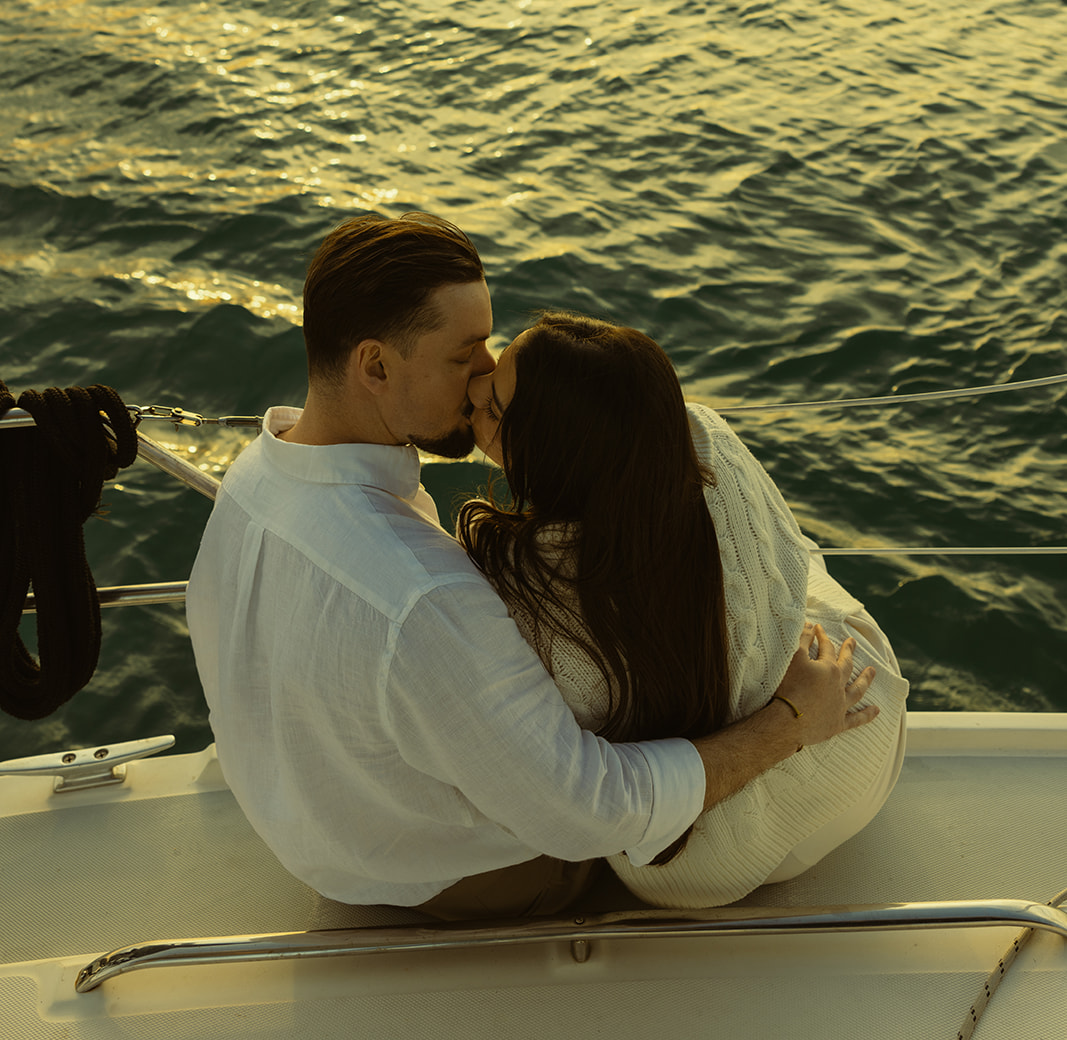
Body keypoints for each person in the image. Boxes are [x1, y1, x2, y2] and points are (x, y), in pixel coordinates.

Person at [186, 212, 880, 921]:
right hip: (444, 877)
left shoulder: (257, 475)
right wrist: (790, 722)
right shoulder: (422, 596)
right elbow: (590, 811)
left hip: (312, 829)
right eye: (464, 354)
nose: (487, 369)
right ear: (374, 366)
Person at [459, 310, 909, 907]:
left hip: (694, 867)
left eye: (492, 405)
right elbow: (783, 566)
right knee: (797, 577)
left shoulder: (518, 577)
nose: (472, 389)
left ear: (548, 454)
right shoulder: (703, 435)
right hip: (855, 756)